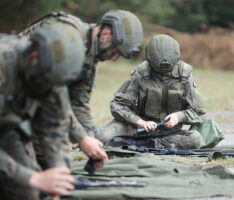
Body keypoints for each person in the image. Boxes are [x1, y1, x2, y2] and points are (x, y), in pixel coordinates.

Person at [22, 10, 143, 167]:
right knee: (26, 173)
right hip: (12, 102)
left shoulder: (89, 55)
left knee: (56, 166)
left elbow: (79, 103)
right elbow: (50, 96)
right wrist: (82, 139)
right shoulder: (65, 38)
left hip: (32, 107)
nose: (114, 59)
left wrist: (93, 141)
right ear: (106, 34)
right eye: (115, 52)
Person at [0, 24, 84, 199]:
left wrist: (58, 168)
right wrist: (31, 177)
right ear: (33, 56)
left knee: (27, 191)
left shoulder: (52, 75)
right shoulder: (4, 64)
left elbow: (54, 127)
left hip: (6, 131)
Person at [96, 34, 207, 149]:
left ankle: (145, 144)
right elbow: (118, 105)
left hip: (168, 133)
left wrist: (179, 116)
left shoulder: (184, 76)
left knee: (196, 139)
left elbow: (198, 111)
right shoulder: (140, 73)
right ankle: (140, 143)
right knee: (100, 136)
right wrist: (140, 122)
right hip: (137, 128)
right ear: (150, 61)